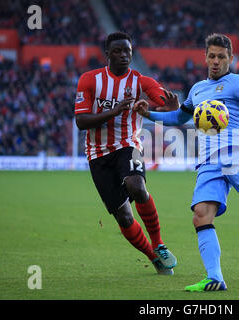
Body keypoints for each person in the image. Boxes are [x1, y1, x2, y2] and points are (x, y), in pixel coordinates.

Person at [133, 33, 239, 291]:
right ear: (205, 57)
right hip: (208, 162)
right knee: (201, 215)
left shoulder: (238, 83)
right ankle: (215, 278)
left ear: (231, 58)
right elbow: (179, 119)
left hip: (236, 155)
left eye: (221, 57)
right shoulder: (197, 90)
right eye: (212, 56)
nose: (216, 61)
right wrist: (147, 113)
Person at [74, 31, 177, 275]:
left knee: (137, 186)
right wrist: (115, 111)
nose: (123, 56)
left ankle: (159, 243)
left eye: (127, 52)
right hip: (97, 155)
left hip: (127, 145)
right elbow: (81, 121)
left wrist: (171, 109)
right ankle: (154, 258)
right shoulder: (89, 80)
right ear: (107, 54)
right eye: (118, 51)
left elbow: (164, 103)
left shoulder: (141, 81)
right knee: (124, 216)